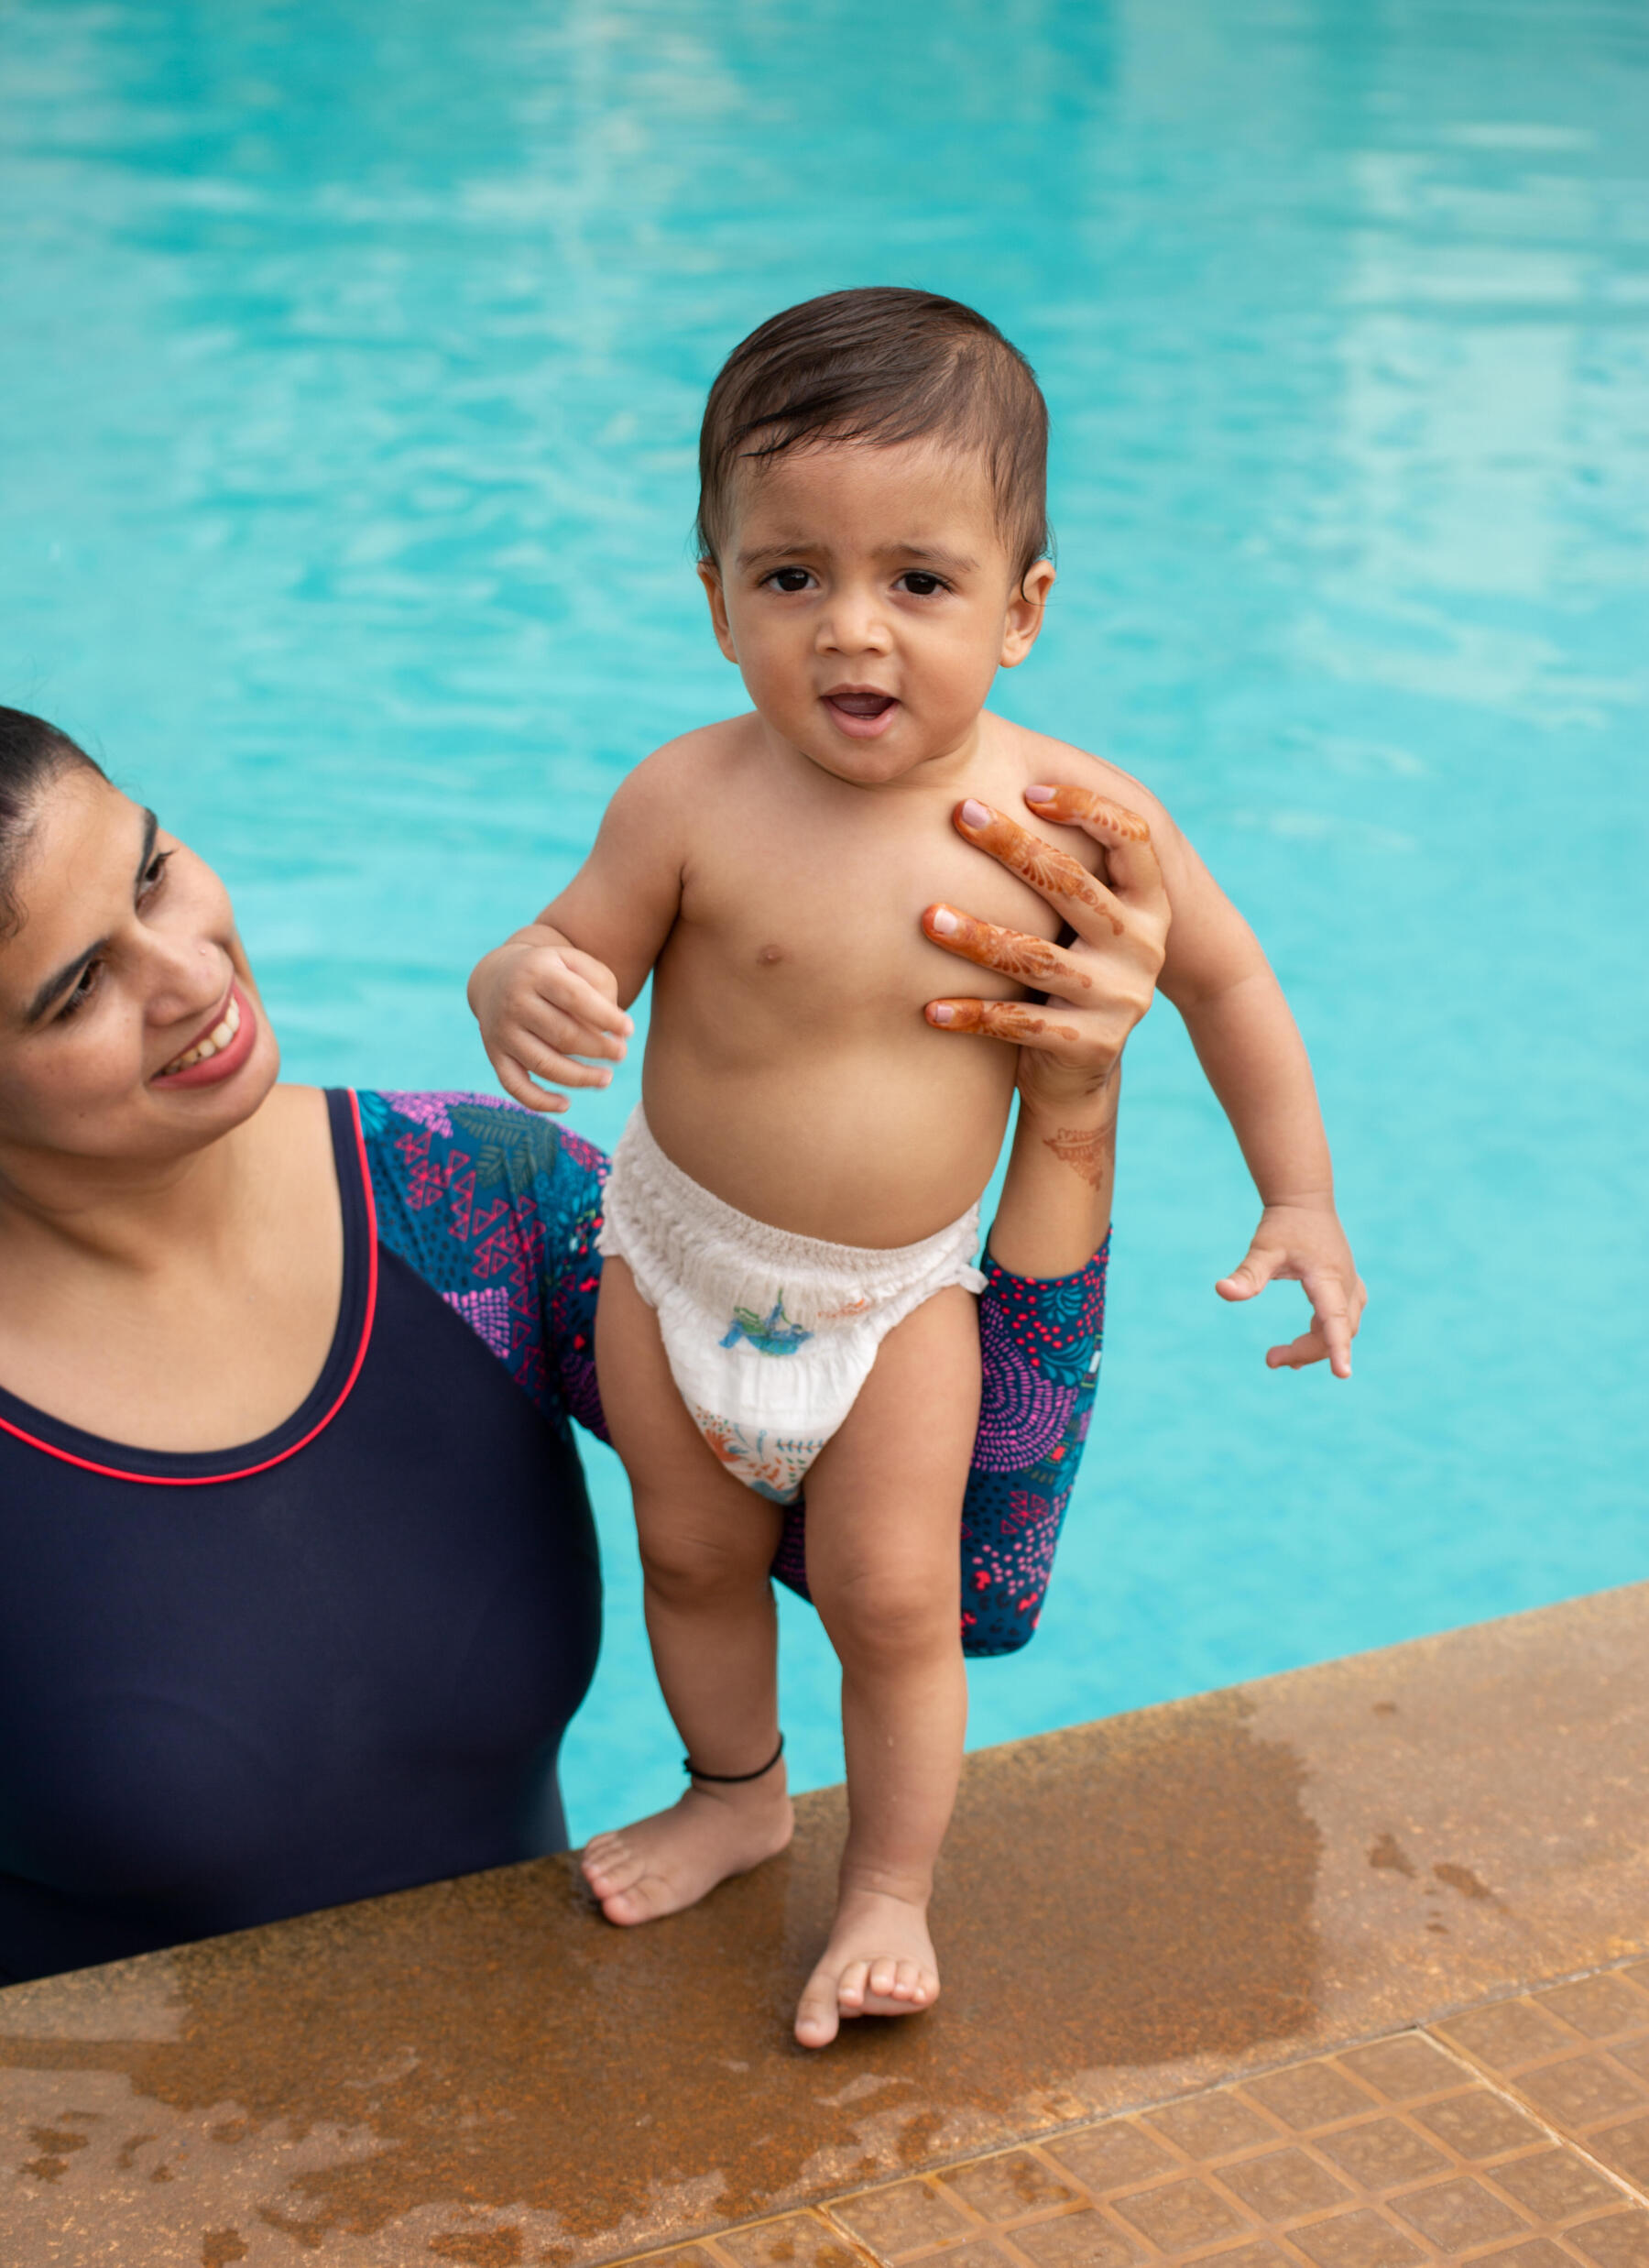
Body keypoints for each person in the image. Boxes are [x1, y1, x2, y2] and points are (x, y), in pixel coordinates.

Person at [469, 287, 1367, 2049]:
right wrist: (519, 984)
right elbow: (567, 946)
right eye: (790, 575)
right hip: (671, 1259)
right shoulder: (686, 801)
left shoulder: (1076, 824)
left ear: (1024, 609)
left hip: (897, 1310)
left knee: (896, 1598)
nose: (851, 633)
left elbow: (1229, 979)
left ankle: (885, 1889)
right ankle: (738, 1793)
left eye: (920, 583)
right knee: (688, 1555)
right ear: (715, 597)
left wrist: (1301, 1193)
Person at [0, 704, 1156, 1987]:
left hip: (543, 2140)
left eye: (154, 875)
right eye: (79, 989)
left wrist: (1069, 1104)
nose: (190, 975)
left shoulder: (468, 1204)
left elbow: (979, 1580)